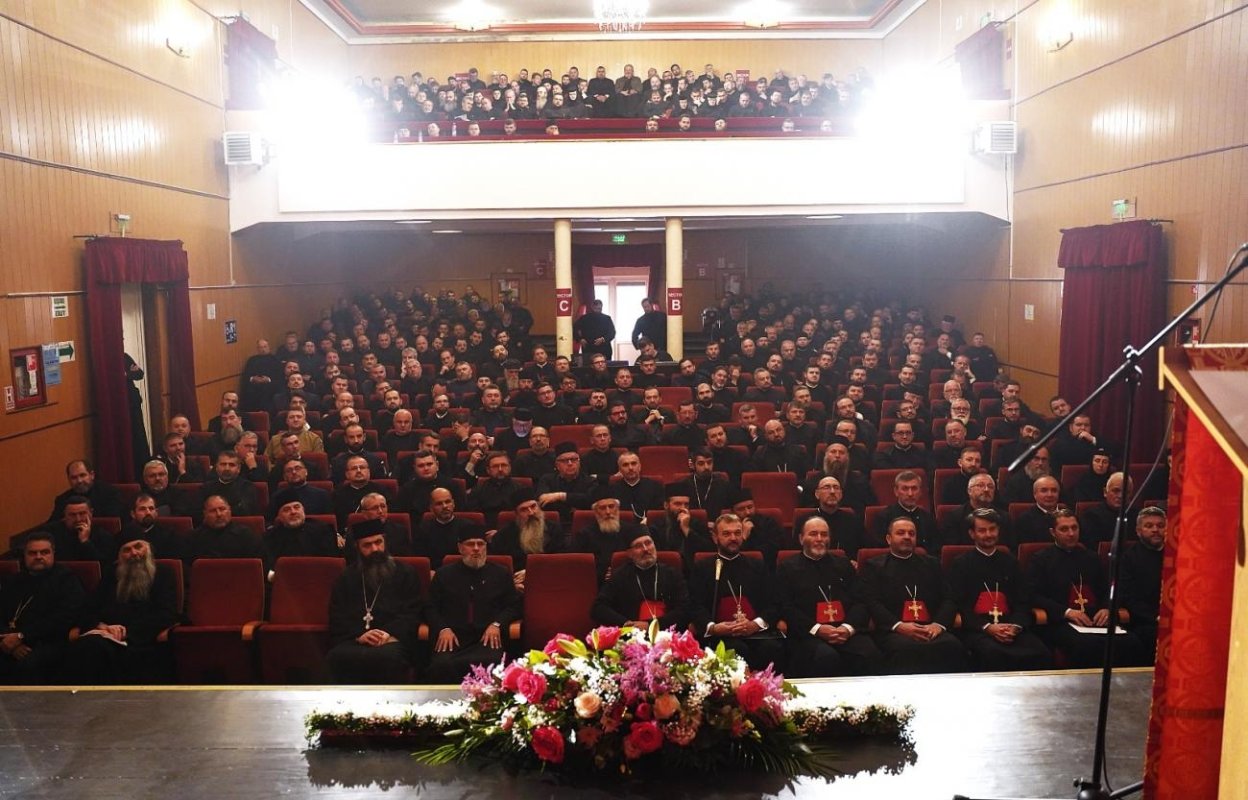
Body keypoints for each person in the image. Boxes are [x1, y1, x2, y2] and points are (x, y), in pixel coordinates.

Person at [1025, 508, 1145, 668]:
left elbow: (1108, 589)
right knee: (1085, 645)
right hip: (1061, 621)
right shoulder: (1041, 559)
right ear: (1052, 532)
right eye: (1064, 529)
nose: (1071, 533)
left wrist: (1107, 608)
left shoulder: (1091, 558)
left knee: (1131, 642)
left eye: (1074, 528)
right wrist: (1067, 612)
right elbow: (1033, 595)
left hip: (1095, 618)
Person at [61, 530, 179, 684]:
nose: (134, 553)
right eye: (127, 550)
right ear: (119, 556)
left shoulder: (164, 573)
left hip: (143, 637)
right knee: (87, 647)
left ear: (148, 548)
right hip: (108, 635)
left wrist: (126, 633)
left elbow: (166, 613)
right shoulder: (112, 574)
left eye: (138, 547)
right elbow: (90, 607)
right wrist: (101, 626)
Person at [857, 517, 968, 674]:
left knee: (952, 645)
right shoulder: (875, 566)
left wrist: (938, 625)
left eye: (911, 533)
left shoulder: (931, 564)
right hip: (894, 631)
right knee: (905, 649)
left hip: (931, 628)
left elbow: (949, 598)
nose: (907, 537)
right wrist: (899, 626)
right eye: (900, 533)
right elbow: (873, 602)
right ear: (888, 539)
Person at [946, 509, 1052, 671]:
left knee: (1040, 652)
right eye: (982, 530)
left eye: (992, 529)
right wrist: (988, 627)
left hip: (1012, 628)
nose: (988, 534)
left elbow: (1023, 600)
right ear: (972, 534)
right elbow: (959, 604)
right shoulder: (960, 564)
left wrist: (1016, 626)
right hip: (978, 630)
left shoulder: (1011, 562)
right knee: (992, 653)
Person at [776, 517, 882, 677]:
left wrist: (847, 628)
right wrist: (818, 629)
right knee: (825, 657)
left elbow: (861, 601)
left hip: (844, 630)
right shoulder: (787, 568)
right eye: (813, 534)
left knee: (869, 653)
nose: (819, 539)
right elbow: (786, 607)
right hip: (808, 634)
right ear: (801, 538)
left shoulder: (843, 564)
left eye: (824, 535)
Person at [325, 520, 422, 684]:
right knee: (336, 657)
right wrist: (359, 635)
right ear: (358, 548)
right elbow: (337, 615)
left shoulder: (406, 573)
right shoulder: (347, 577)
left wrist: (387, 633)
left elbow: (413, 612)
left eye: (378, 542)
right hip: (355, 639)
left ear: (385, 542)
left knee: (388, 658)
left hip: (392, 639)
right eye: (367, 545)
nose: (375, 549)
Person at [424, 527, 522, 684]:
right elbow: (430, 607)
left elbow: (514, 606)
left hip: (487, 638)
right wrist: (442, 628)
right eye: (470, 544)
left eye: (480, 544)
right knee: (441, 665)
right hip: (453, 637)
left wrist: (497, 624)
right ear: (460, 548)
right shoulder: (444, 574)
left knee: (492, 663)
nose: (476, 549)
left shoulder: (501, 573)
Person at [689, 513, 785, 671]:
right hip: (721, 634)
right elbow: (695, 605)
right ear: (715, 537)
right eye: (726, 534)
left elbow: (774, 603)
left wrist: (755, 624)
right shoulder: (703, 567)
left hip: (756, 633)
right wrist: (713, 627)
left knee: (772, 648)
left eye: (737, 533)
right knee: (736, 650)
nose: (733, 538)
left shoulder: (757, 566)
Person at [0, 531, 86, 684]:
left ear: (53, 554)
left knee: (28, 665)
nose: (38, 556)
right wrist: (9, 642)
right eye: (32, 553)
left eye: (44, 552)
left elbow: (65, 617)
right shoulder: (13, 581)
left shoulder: (66, 580)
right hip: (9, 641)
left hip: (49, 641)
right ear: (24, 556)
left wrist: (22, 637)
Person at [591, 530, 691, 631]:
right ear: (629, 553)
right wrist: (626, 624)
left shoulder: (672, 574)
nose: (645, 549)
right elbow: (598, 608)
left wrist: (651, 625)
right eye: (638, 546)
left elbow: (685, 608)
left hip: (667, 634)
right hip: (632, 637)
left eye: (648, 543)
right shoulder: (619, 576)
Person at [491, 489, 565, 591]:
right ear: (516, 514)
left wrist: (532, 571)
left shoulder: (554, 529)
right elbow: (497, 568)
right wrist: (512, 584)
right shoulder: (503, 536)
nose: (531, 513)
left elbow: (561, 562)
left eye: (533, 506)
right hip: (517, 586)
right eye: (524, 509)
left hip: (550, 581)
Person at [1119, 506, 1166, 663]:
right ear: (1138, 531)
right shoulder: (1128, 558)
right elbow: (1128, 597)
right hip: (1144, 620)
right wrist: (1155, 617)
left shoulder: (1178, 554)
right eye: (1149, 526)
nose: (1155, 530)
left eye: (1160, 526)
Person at [572, 494, 642, 581]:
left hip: (629, 579)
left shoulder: (632, 531)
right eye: (602, 508)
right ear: (596, 512)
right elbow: (579, 566)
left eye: (611, 506)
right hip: (597, 582)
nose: (608, 512)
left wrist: (618, 573)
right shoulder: (584, 535)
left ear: (617, 509)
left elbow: (639, 558)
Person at [264, 499, 340, 578]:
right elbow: (270, 569)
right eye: (286, 510)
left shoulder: (323, 531)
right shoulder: (270, 537)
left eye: (297, 507)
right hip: (286, 582)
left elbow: (332, 564)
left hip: (320, 578)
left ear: (303, 510)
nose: (293, 512)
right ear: (279, 517)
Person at [796, 476, 868, 558]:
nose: (832, 491)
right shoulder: (804, 521)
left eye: (836, 488)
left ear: (841, 495)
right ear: (817, 494)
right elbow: (796, 552)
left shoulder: (854, 521)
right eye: (826, 487)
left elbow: (862, 549)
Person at [414, 488, 485, 569]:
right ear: (431, 508)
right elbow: (421, 557)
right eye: (439, 503)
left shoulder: (468, 526)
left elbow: (474, 556)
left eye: (448, 502)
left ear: (453, 504)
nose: (445, 506)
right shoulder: (424, 528)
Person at [871, 471, 939, 552]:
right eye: (905, 489)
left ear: (920, 492)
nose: (910, 494)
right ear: (896, 491)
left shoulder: (928, 518)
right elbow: (880, 550)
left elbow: (936, 549)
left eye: (914, 488)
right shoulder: (883, 517)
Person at [189, 495, 264, 562]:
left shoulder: (245, 535)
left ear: (230, 511)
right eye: (213, 511)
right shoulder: (194, 538)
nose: (219, 514)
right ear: (205, 514)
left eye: (222, 509)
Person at [48, 459, 123, 522]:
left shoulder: (110, 493)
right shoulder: (62, 500)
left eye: (82, 475)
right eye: (74, 477)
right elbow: (52, 524)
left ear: (92, 475)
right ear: (69, 479)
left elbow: (113, 523)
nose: (79, 481)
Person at [1014, 476, 1064, 544]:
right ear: (1035, 494)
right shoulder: (1025, 520)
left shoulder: (1070, 516)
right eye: (1044, 490)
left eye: (1054, 490)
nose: (1049, 495)